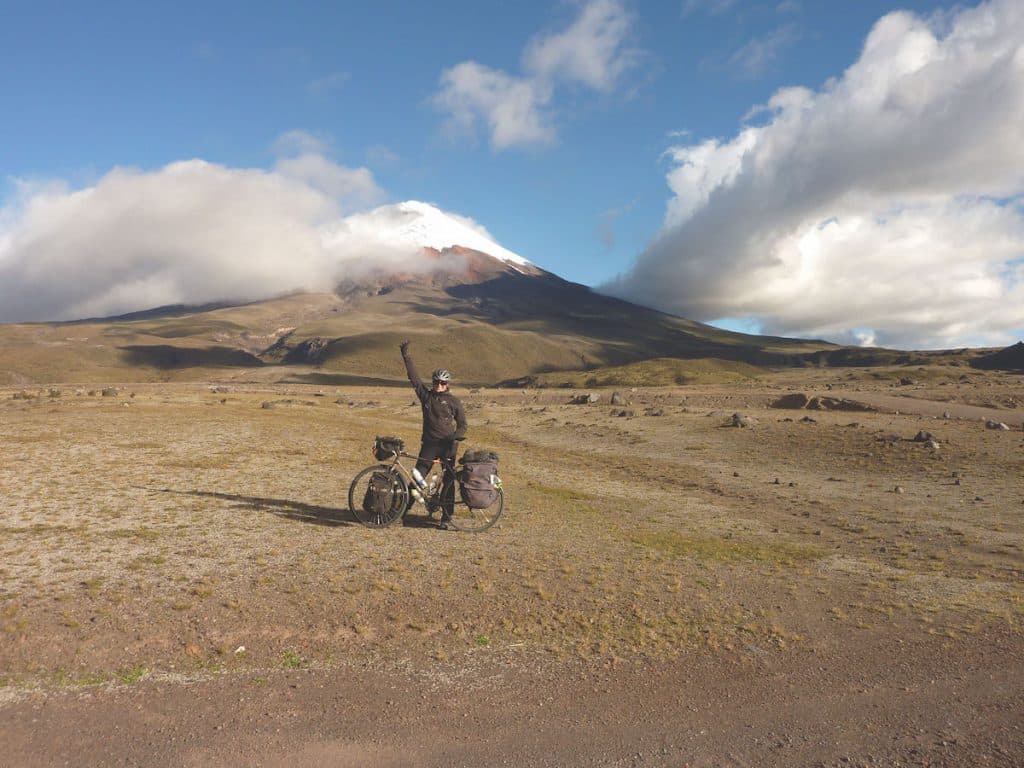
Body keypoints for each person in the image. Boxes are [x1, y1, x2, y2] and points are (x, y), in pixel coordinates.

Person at [400, 340, 467, 528]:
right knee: (416, 478)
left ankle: (446, 518)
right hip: (429, 445)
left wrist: (456, 436)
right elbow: (414, 378)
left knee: (448, 482)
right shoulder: (426, 396)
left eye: (442, 383)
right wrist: (406, 356)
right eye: (436, 382)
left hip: (448, 446)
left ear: (447, 385)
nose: (439, 385)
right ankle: (402, 511)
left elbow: (463, 425)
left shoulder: (454, 402)